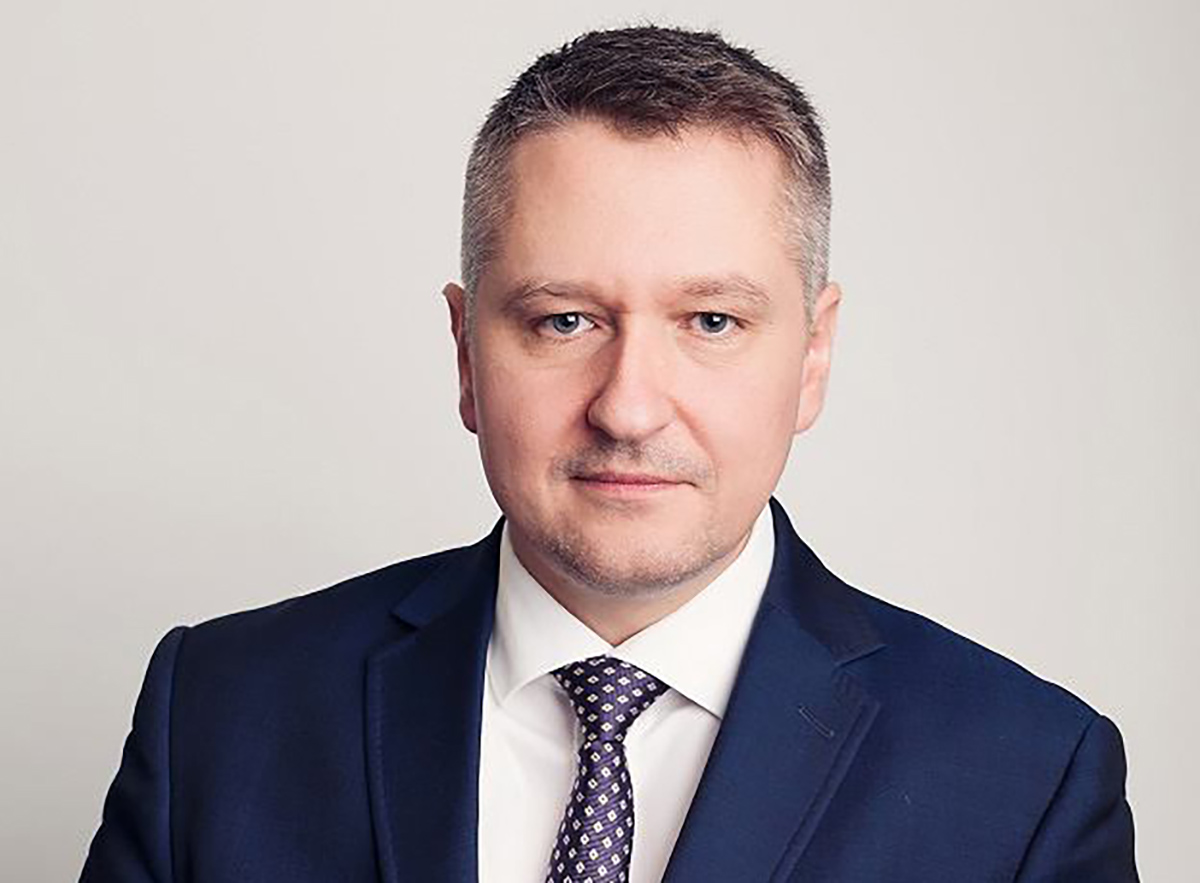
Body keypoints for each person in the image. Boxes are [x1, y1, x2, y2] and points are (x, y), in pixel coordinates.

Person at [80, 25, 1139, 883]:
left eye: (712, 321)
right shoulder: (217, 712)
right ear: (465, 351)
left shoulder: (1026, 779)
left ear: (813, 357)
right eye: (564, 320)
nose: (628, 408)